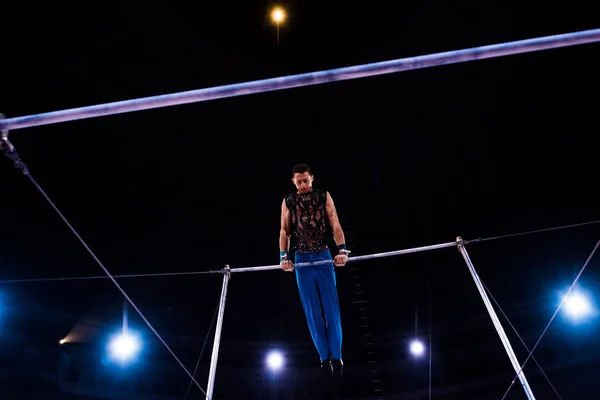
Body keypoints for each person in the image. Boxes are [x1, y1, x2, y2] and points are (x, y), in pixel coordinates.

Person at [279, 163, 350, 378]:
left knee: (331, 307)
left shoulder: (323, 196)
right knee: (312, 310)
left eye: (305, 181)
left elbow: (334, 222)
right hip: (301, 258)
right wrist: (284, 256)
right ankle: (323, 356)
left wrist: (342, 250)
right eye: (298, 182)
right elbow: (284, 230)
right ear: (293, 181)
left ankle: (336, 356)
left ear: (312, 178)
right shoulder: (288, 200)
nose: (302, 185)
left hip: (323, 255)